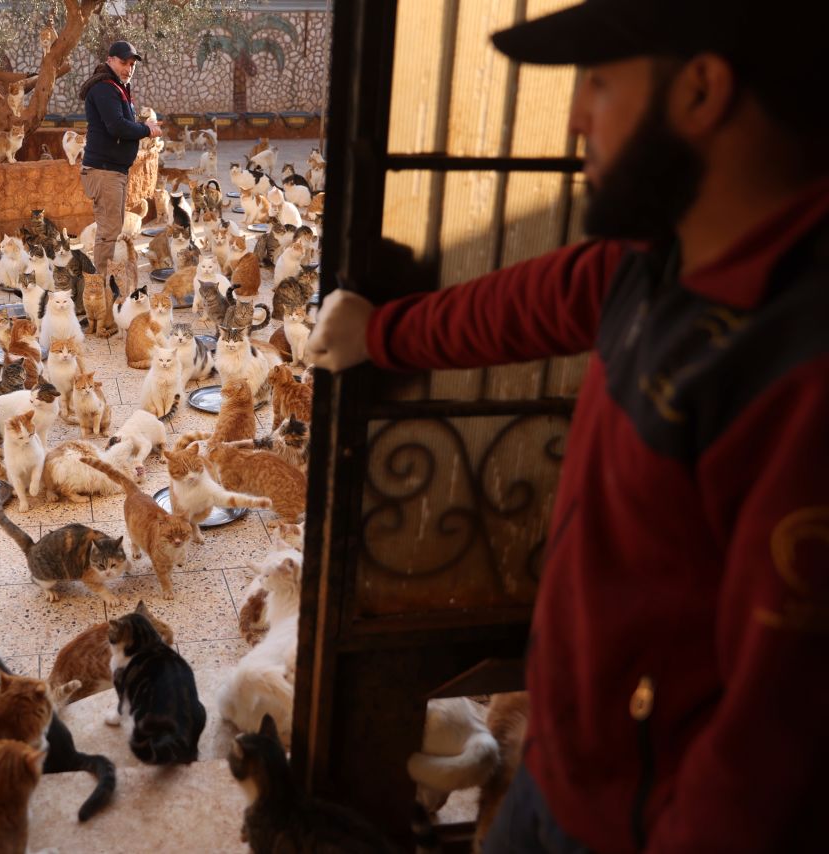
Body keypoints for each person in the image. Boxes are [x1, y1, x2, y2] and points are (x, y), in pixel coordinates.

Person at [309, 1, 828, 851]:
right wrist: (381, 334)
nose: (579, 115)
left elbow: (773, 749)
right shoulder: (662, 259)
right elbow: (529, 303)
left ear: (702, 90)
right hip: (558, 770)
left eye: (598, 82)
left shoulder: (800, 375)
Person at [77, 40, 162, 286]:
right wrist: (146, 129)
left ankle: (101, 283)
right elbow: (116, 126)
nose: (129, 68)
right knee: (108, 232)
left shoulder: (117, 87)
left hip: (113, 170)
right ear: (110, 60)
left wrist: (144, 128)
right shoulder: (105, 88)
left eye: (132, 64)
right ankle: (99, 286)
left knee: (110, 229)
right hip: (104, 171)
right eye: (124, 62)